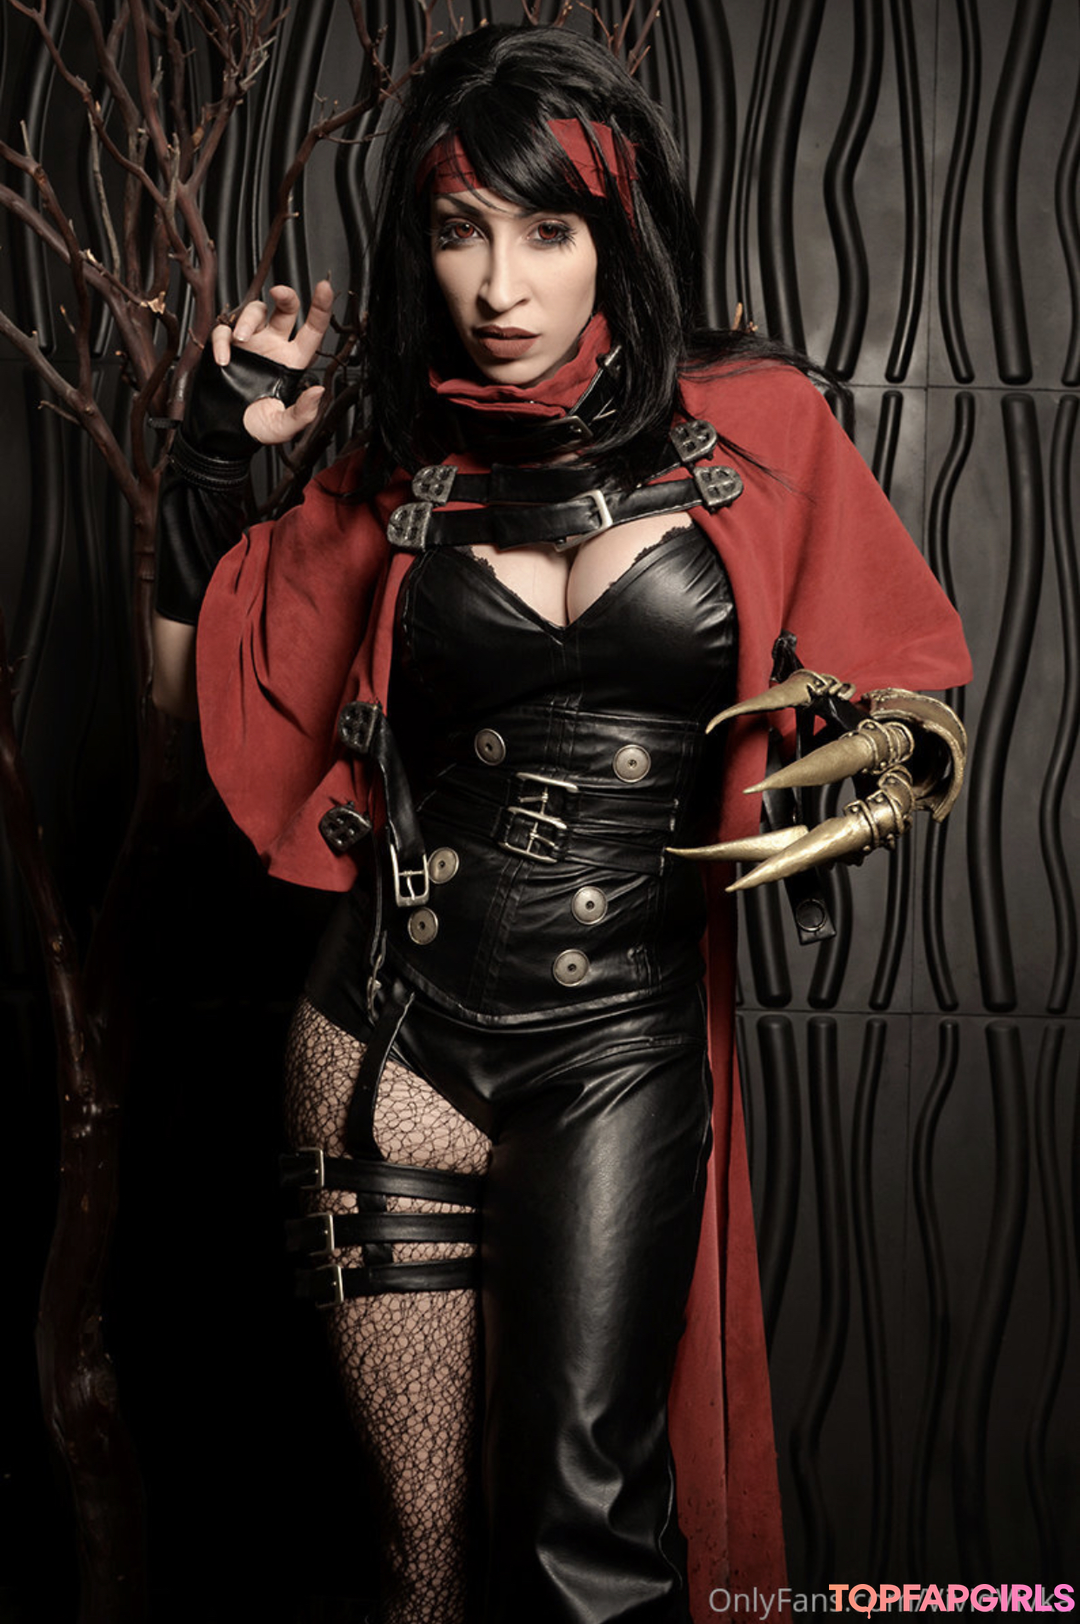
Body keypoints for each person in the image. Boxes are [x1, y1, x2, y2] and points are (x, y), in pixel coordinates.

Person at [152, 22, 971, 1624]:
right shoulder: (392, 470)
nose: (501, 286)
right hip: (383, 1046)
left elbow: (910, 680)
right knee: (420, 1568)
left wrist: (881, 758)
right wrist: (202, 466)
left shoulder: (757, 427)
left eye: (547, 230)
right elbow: (201, 726)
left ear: (616, 232)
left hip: (615, 1045)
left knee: (579, 1541)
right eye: (460, 232)